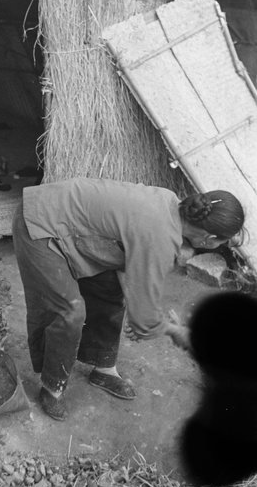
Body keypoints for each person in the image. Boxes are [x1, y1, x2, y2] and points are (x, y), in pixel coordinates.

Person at [12, 177, 245, 421]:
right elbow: (145, 322)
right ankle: (52, 387)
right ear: (207, 238)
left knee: (111, 289)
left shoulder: (170, 203)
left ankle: (102, 367)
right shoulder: (160, 236)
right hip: (39, 219)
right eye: (222, 241)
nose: (223, 245)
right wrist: (175, 331)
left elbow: (131, 269)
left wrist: (138, 307)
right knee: (69, 311)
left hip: (71, 222)